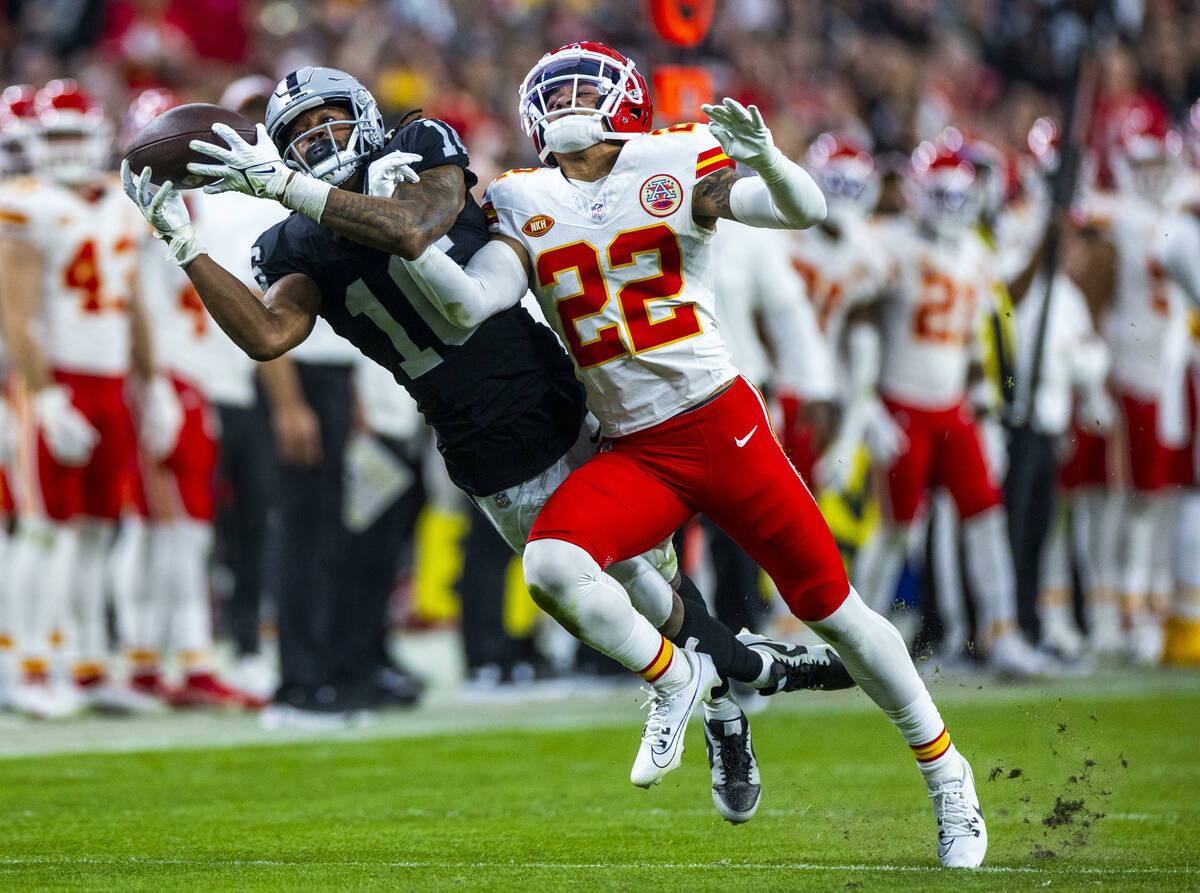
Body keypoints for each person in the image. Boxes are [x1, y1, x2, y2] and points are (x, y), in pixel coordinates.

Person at [123, 66, 850, 824]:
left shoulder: (415, 142)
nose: (319, 138)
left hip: (553, 388)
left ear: (363, 114)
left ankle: (722, 690)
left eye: (328, 118)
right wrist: (185, 244)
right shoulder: (291, 240)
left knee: (647, 568)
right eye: (300, 133)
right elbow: (269, 335)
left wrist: (286, 185)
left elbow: (413, 226)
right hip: (479, 437)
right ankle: (747, 671)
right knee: (610, 587)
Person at [388, 41, 987, 867]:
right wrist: (409, 239)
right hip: (635, 448)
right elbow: (476, 301)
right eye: (553, 94)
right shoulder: (522, 197)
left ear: (626, 102)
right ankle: (688, 684)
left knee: (833, 608)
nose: (566, 106)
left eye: (582, 90)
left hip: (721, 424)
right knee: (553, 564)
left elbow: (800, 209)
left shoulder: (672, 159)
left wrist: (768, 160)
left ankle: (948, 774)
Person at [0, 80, 167, 716]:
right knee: (44, 531)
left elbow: (132, 306)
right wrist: (44, 397)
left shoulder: (123, 206)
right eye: (57, 136)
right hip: (58, 380)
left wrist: (152, 384)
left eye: (76, 134)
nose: (68, 148)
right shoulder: (26, 205)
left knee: (98, 531)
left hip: (111, 382)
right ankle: (31, 668)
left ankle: (90, 664)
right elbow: (16, 316)